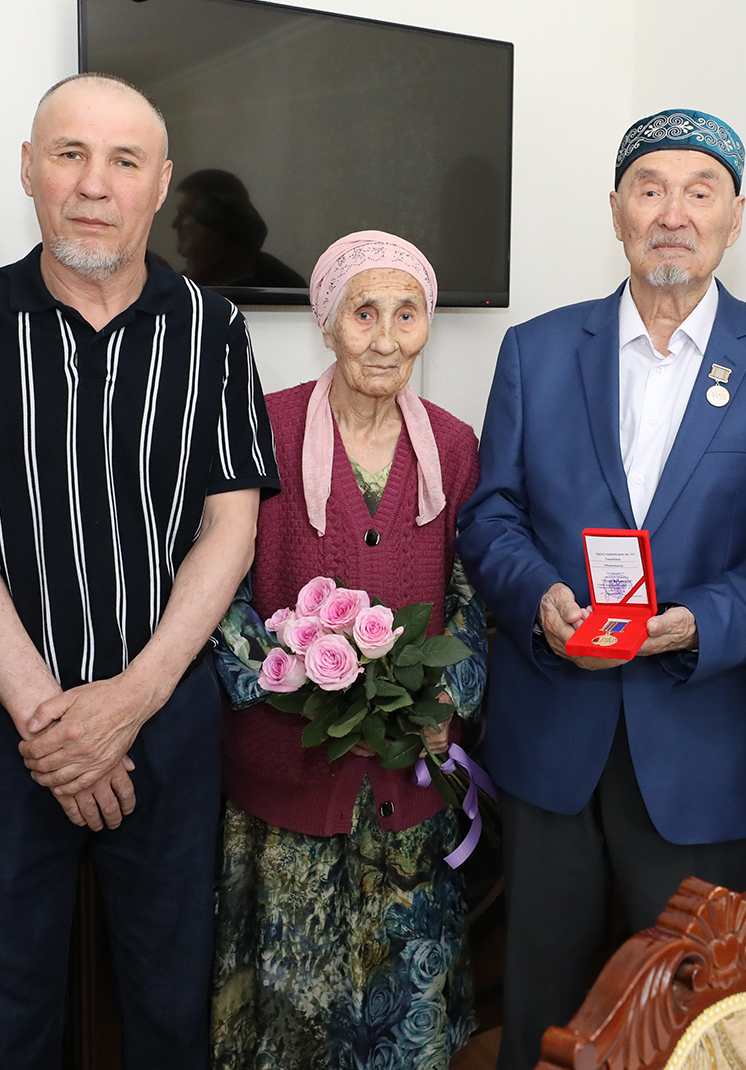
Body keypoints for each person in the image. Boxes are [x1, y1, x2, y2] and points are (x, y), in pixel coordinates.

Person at [0, 73, 278, 1070]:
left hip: (166, 721)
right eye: (69, 154)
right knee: (0, 1016)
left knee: (170, 1005)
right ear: (30, 170)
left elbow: (231, 527)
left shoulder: (215, 327)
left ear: (159, 184)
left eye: (124, 161)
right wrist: (56, 725)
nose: (93, 183)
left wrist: (129, 700)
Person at [457, 109, 746, 1070]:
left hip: (698, 739)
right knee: (541, 1007)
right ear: (616, 211)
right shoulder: (537, 350)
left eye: (700, 191)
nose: (674, 213)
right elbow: (491, 515)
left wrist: (701, 621)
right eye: (650, 189)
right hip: (553, 735)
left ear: (735, 217)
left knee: (694, 1019)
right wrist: (537, 596)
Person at [209, 231, 487, 1069]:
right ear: (327, 321)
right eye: (365, 313)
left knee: (402, 1031)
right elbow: (217, 593)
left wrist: (443, 700)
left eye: (408, 314)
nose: (387, 338)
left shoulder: (455, 446)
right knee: (291, 1030)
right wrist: (301, 689)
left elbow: (473, 597)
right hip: (286, 790)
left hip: (409, 801)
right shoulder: (262, 429)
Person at [170, 167, 307, 288]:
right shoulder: (178, 288)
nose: (175, 224)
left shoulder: (281, 298)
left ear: (218, 242)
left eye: (185, 214)